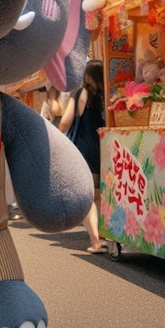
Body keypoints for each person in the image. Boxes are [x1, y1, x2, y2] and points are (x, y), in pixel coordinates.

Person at [59, 59, 106, 254]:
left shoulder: (79, 94)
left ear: (86, 75)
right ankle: (104, 235)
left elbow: (64, 122)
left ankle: (95, 240)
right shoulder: (107, 95)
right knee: (100, 194)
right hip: (105, 149)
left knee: (89, 196)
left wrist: (58, 142)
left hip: (83, 151)